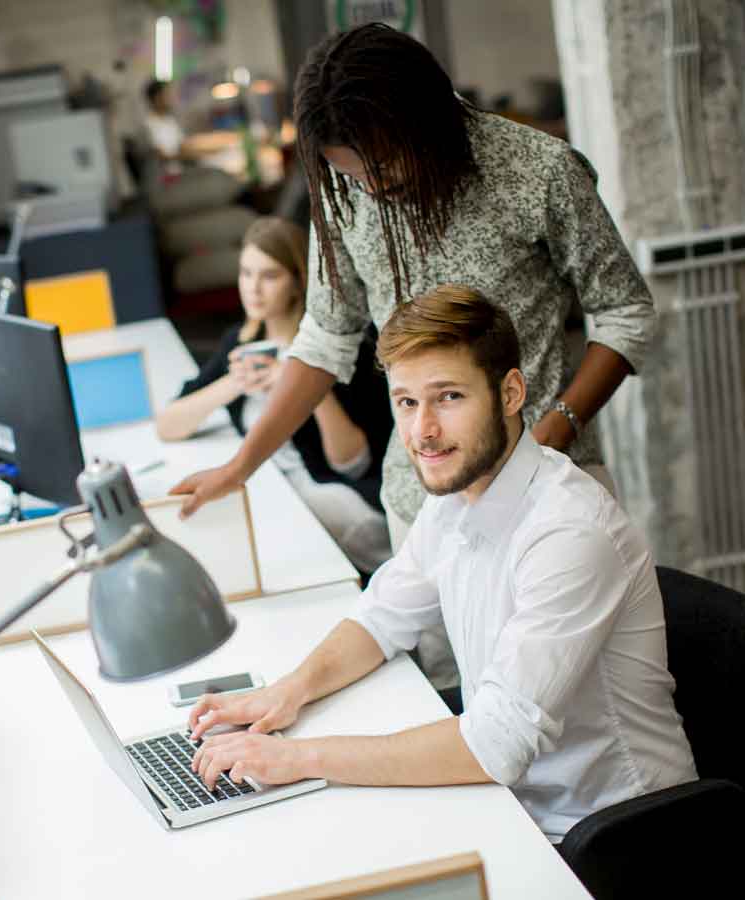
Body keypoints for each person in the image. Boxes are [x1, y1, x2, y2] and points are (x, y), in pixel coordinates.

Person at [170, 22, 656, 690]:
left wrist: (557, 426)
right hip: (421, 499)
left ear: (425, 122)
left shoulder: (537, 171)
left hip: (545, 488)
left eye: (382, 166)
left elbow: (625, 311)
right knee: (448, 695)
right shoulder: (344, 195)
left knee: (564, 714)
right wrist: (241, 464)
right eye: (349, 171)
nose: (369, 185)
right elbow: (326, 334)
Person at [185, 287, 696, 846]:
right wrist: (287, 691)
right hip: (511, 805)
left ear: (510, 392)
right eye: (406, 402)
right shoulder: (456, 497)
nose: (422, 430)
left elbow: (495, 744)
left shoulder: (568, 530)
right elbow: (380, 620)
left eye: (447, 397)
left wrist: (296, 757)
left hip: (609, 836)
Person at [156, 217, 392, 575]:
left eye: (269, 276)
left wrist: (303, 388)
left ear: (299, 281)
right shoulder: (242, 342)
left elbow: (354, 464)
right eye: (246, 273)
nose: (253, 289)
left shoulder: (341, 353)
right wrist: (232, 383)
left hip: (332, 499)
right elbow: (168, 426)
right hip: (268, 487)